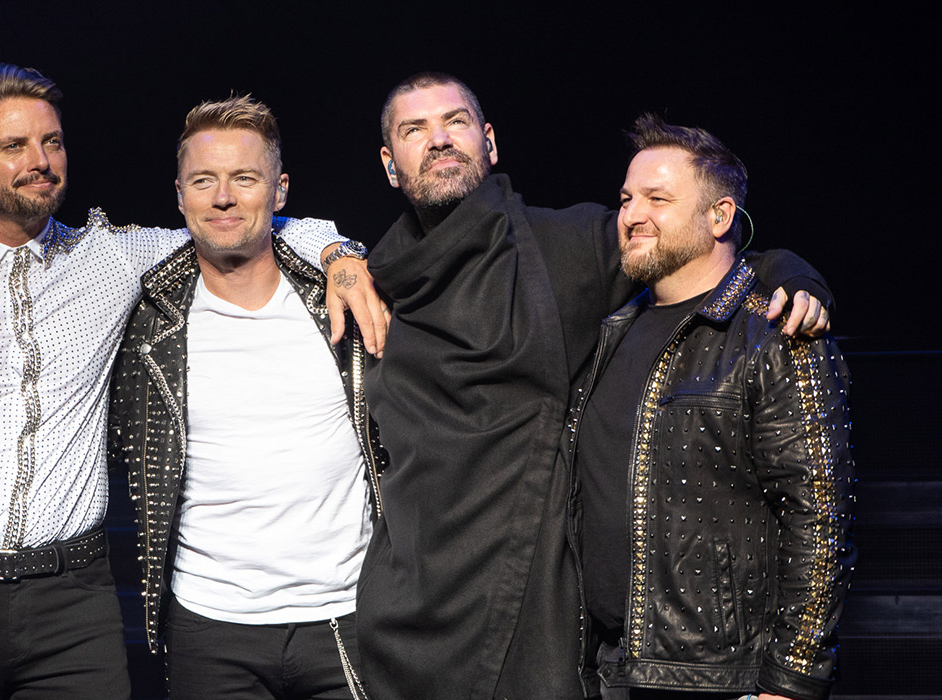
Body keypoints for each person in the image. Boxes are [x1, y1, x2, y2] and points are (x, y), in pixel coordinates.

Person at [0, 64, 382, 698]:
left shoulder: (109, 257)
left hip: (72, 600)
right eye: (14, 146)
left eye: (52, 142)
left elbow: (245, 221)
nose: (40, 160)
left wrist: (341, 254)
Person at [356, 72, 832, 700]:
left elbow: (691, 242)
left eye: (456, 122)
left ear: (490, 142)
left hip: (535, 608)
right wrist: (337, 257)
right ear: (390, 165)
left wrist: (794, 276)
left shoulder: (565, 246)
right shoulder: (373, 280)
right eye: (415, 130)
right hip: (406, 604)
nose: (439, 140)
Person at [108, 95, 385, 700]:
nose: (224, 197)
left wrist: (339, 252)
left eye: (245, 179)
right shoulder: (148, 318)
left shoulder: (343, 298)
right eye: (203, 181)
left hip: (346, 615)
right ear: (179, 195)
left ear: (279, 191)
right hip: (209, 626)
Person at [569, 113, 854, 700]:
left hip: (721, 681)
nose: (632, 214)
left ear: (721, 215)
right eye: (625, 199)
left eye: (658, 198)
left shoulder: (774, 333)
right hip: (612, 669)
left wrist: (791, 682)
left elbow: (821, 516)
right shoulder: (610, 332)